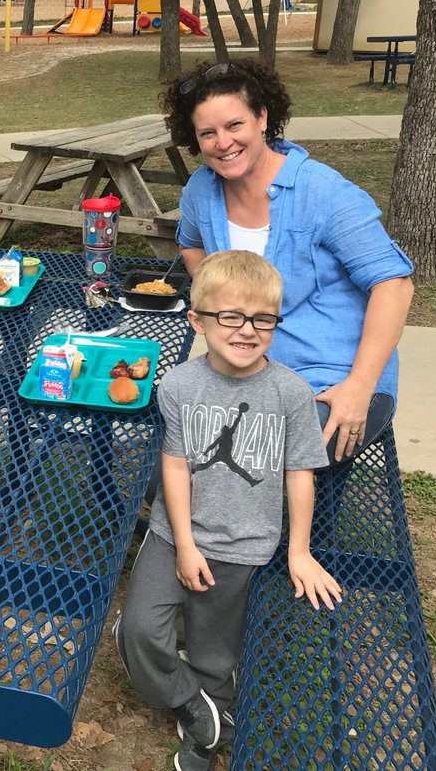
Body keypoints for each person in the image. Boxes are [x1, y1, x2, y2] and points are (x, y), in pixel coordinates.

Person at [115, 251, 341, 771]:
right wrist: (184, 543)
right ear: (197, 320)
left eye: (263, 319)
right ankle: (191, 702)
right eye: (230, 316)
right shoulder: (177, 385)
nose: (247, 330)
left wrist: (300, 551)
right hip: (177, 537)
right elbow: (174, 466)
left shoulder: (290, 392)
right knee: (140, 633)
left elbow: (299, 475)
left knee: (217, 653)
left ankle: (205, 725)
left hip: (244, 545)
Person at [163, 59, 415, 464]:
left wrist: (359, 386)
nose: (222, 143)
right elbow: (190, 246)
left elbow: (394, 284)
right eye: (207, 133)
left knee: (240, 460)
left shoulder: (324, 192)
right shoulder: (201, 191)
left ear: (262, 118)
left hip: (331, 377)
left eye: (234, 125)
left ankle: (287, 529)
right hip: (243, 367)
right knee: (175, 447)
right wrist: (220, 305)